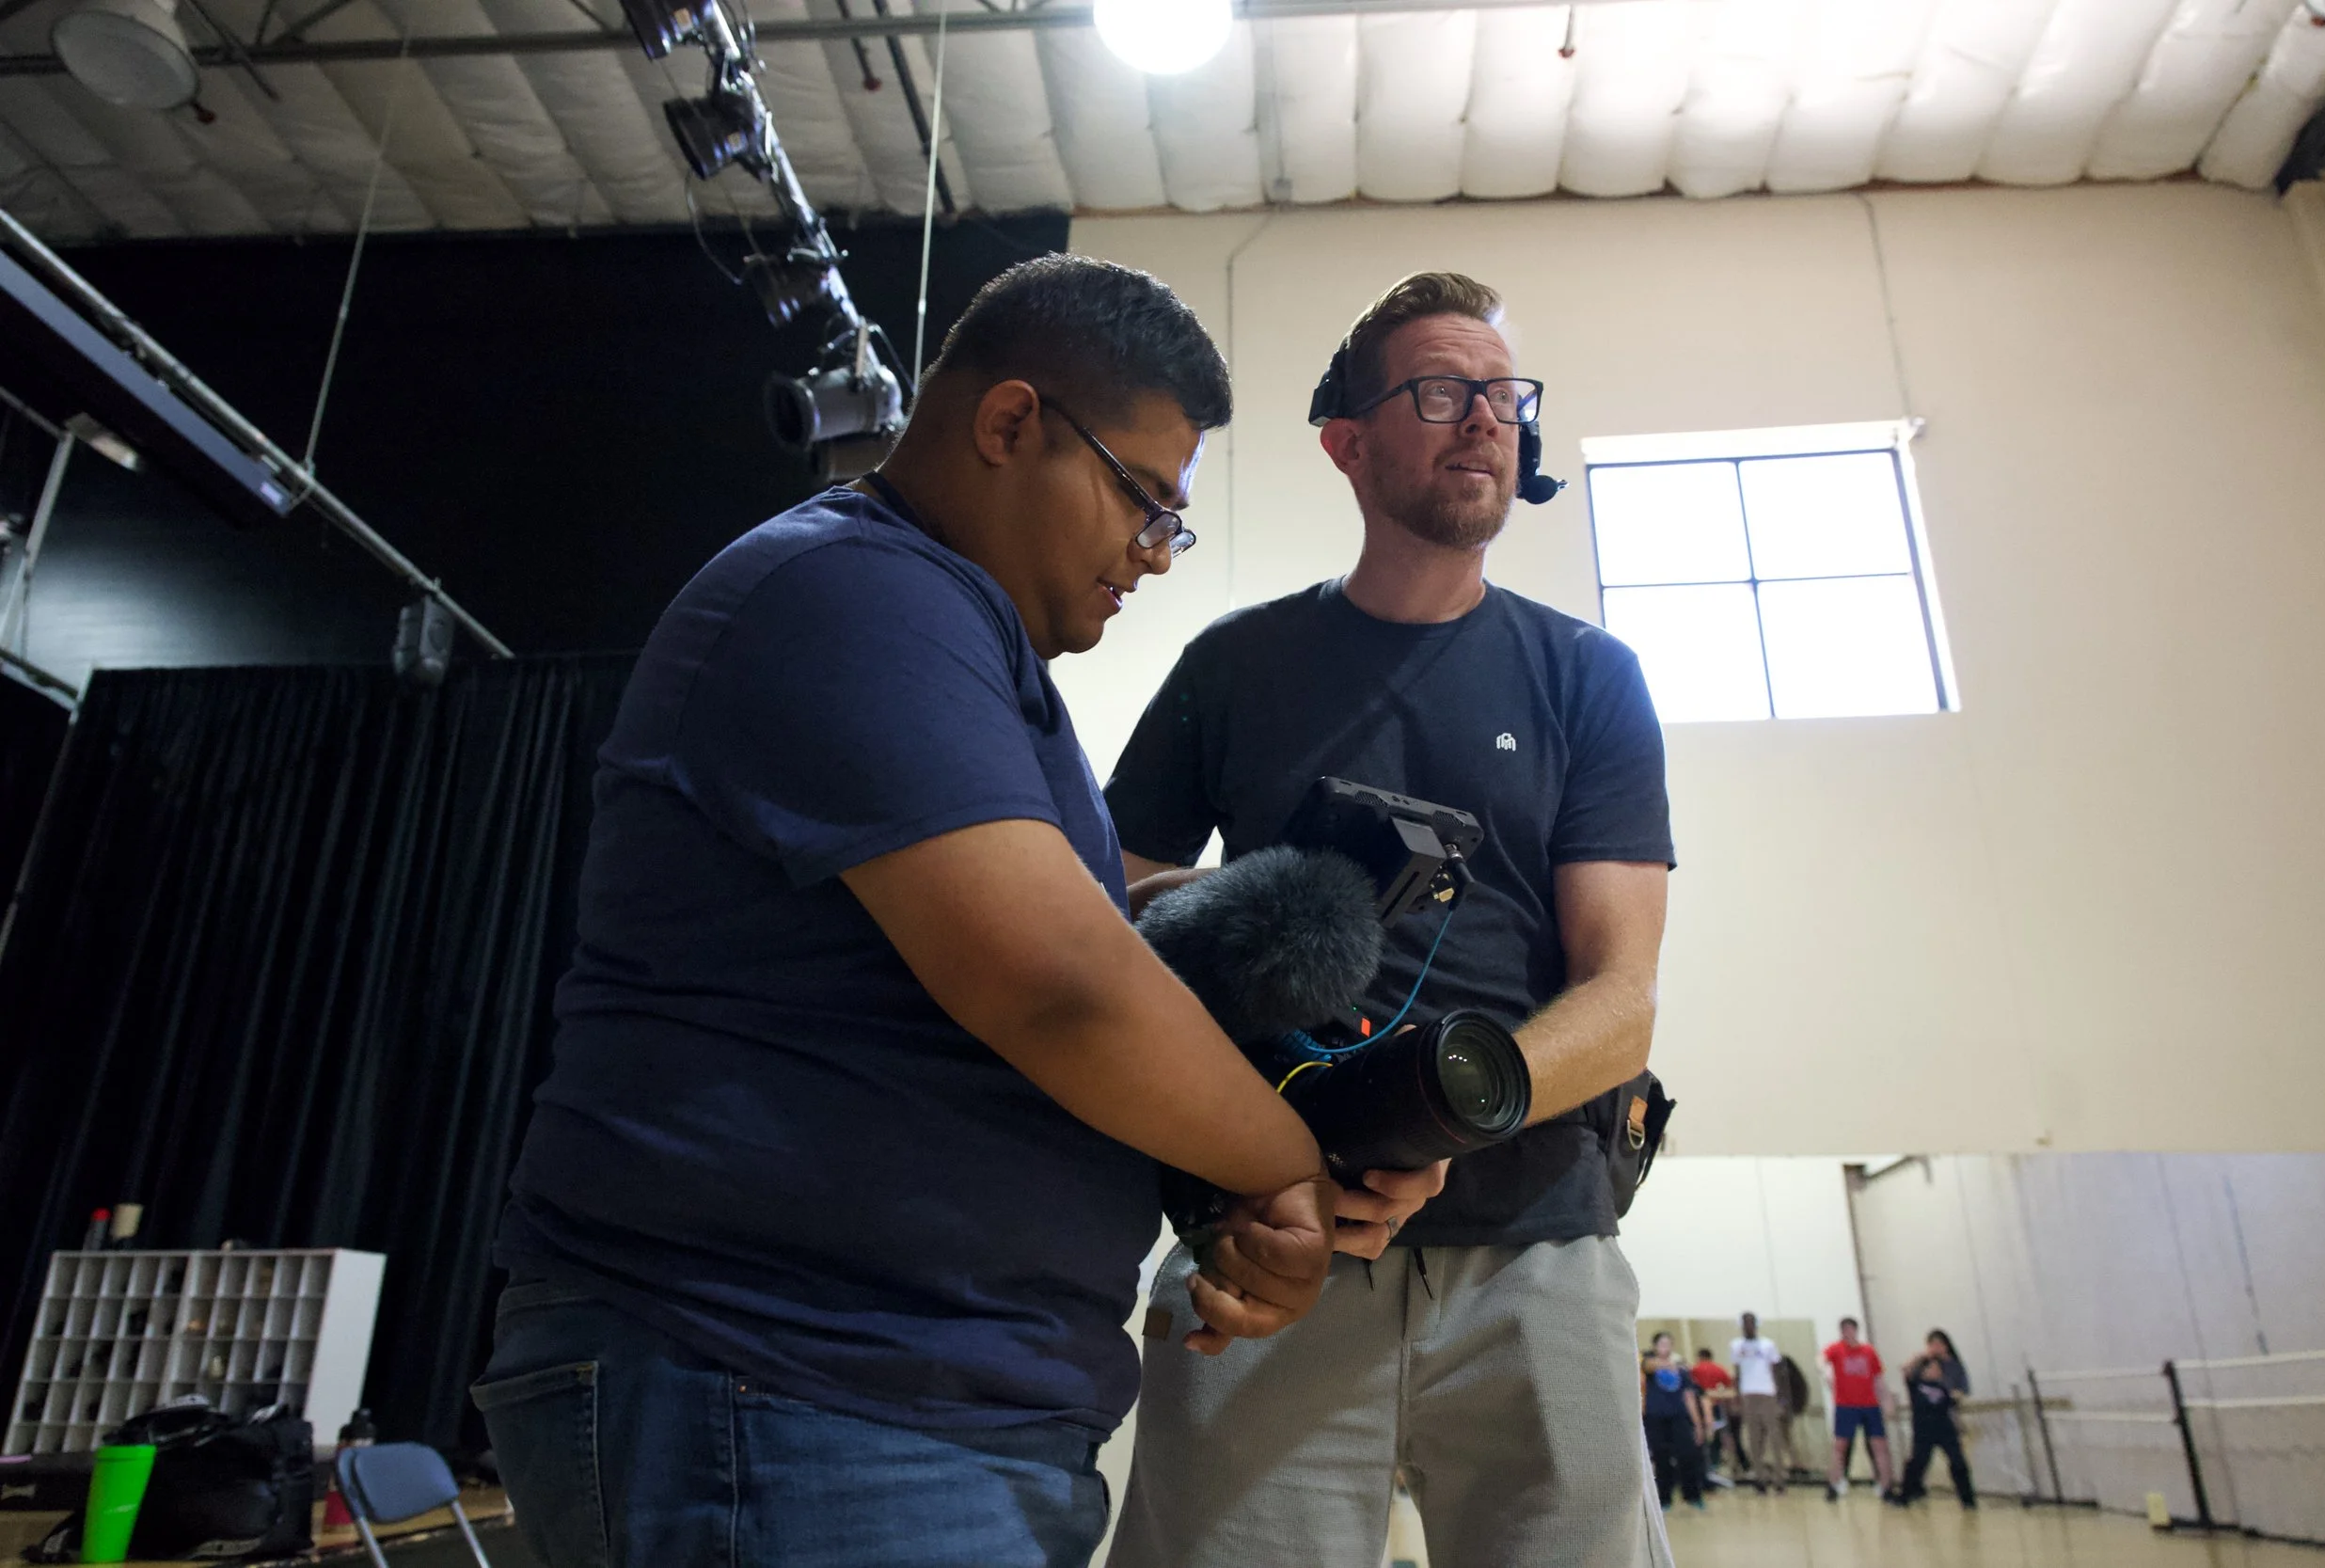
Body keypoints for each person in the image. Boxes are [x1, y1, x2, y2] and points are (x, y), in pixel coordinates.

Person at [469, 257, 1343, 1568]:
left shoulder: (960, 645)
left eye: (1177, 522)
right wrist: (1289, 1161)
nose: (1156, 555)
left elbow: (1080, 941)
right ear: (1009, 425)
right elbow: (1061, 983)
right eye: (1146, 500)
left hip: (888, 1406)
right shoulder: (856, 591)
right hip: (780, 1388)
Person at [1103, 271, 1676, 1566]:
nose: (1484, 417)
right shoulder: (1232, 667)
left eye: (1503, 394)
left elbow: (1624, 996)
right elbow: (1107, 932)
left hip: (1540, 1246)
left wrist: (1435, 1110)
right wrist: (1244, 925)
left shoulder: (1589, 677)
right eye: (1439, 389)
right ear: (1347, 442)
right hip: (1266, 1228)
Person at [1896, 1330, 1978, 1509]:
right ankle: (1905, 1495)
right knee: (1917, 1462)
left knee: (1957, 1461)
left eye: (1936, 1369)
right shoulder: (1916, 1385)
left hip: (1944, 1428)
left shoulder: (1943, 1388)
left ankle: (1968, 1499)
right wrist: (1923, 1355)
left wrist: (1956, 1397)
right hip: (1923, 1429)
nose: (1934, 1371)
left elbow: (1957, 1396)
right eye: (1930, 1368)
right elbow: (1906, 1370)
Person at [1821, 1317, 1894, 1500]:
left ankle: (1886, 1486)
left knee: (1879, 1445)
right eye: (1844, 1330)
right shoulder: (1836, 1349)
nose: (1848, 1333)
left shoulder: (1869, 1352)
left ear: (1856, 1330)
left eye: (1850, 1329)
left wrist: (1886, 1401)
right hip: (1846, 1405)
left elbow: (1878, 1379)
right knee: (1840, 1446)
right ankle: (1833, 1483)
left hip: (1869, 1405)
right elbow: (1821, 1359)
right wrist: (1826, 1372)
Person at [1642, 1333, 1708, 1512]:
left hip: (1679, 1417)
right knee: (1662, 1459)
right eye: (1662, 1343)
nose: (1665, 1347)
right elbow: (1648, 1366)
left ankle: (1693, 1496)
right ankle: (1664, 1499)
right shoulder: (1648, 1362)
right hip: (1656, 1418)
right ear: (1655, 1346)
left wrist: (1698, 1424)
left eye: (1668, 1344)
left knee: (1687, 1456)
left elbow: (1689, 1397)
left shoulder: (1682, 1370)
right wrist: (1670, 1364)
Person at [1730, 1312, 1790, 1493]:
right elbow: (1737, 1371)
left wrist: (1780, 1397)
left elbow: (1777, 1370)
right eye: (1745, 1323)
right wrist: (1737, 1396)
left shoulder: (1767, 1345)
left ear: (1756, 1324)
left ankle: (1779, 1478)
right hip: (1748, 1394)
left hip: (1767, 1393)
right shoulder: (1736, 1346)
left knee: (1774, 1437)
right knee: (1755, 1439)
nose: (1748, 1326)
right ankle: (1760, 1478)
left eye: (1751, 1323)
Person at [1688, 1347, 1739, 1476]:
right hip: (1717, 1406)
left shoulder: (1695, 1369)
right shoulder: (1719, 1369)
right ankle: (1719, 1464)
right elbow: (1729, 1388)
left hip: (1700, 1407)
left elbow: (1690, 1388)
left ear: (1700, 1357)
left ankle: (1708, 1465)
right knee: (1719, 1436)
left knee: (1703, 1437)